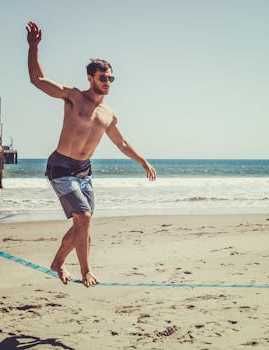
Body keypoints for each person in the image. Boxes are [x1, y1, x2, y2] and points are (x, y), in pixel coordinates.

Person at [26, 21, 157, 287]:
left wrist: (142, 161)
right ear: (90, 77)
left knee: (82, 224)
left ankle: (57, 263)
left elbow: (121, 143)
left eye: (110, 78)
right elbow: (37, 80)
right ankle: (87, 271)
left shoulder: (109, 114)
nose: (107, 82)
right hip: (61, 166)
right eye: (102, 77)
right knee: (83, 218)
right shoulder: (73, 97)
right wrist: (33, 47)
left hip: (84, 170)